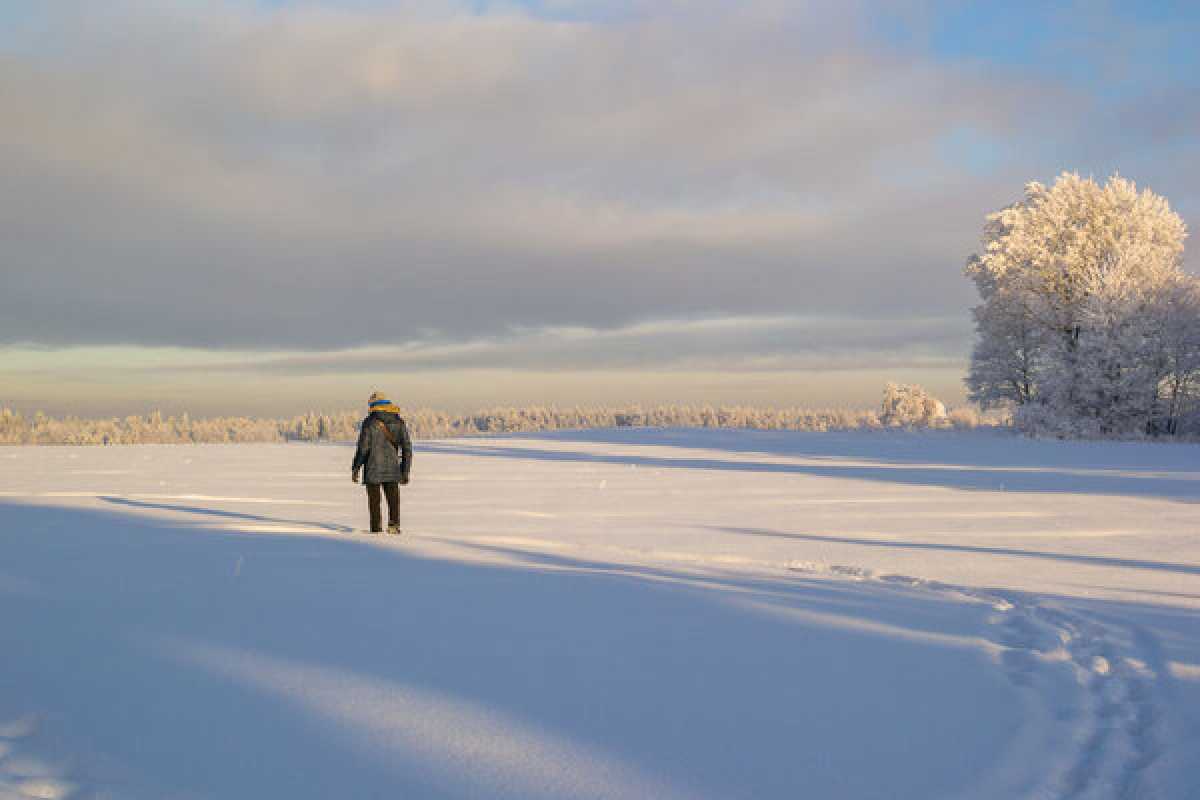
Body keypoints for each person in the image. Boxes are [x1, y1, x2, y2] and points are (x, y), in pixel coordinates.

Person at [351, 391, 412, 534]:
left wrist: (356, 467)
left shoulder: (369, 422)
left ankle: (376, 530)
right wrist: (405, 471)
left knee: (374, 503)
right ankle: (394, 526)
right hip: (393, 469)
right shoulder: (399, 421)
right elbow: (407, 448)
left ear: (373, 404)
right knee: (393, 500)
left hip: (372, 468)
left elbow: (363, 448)